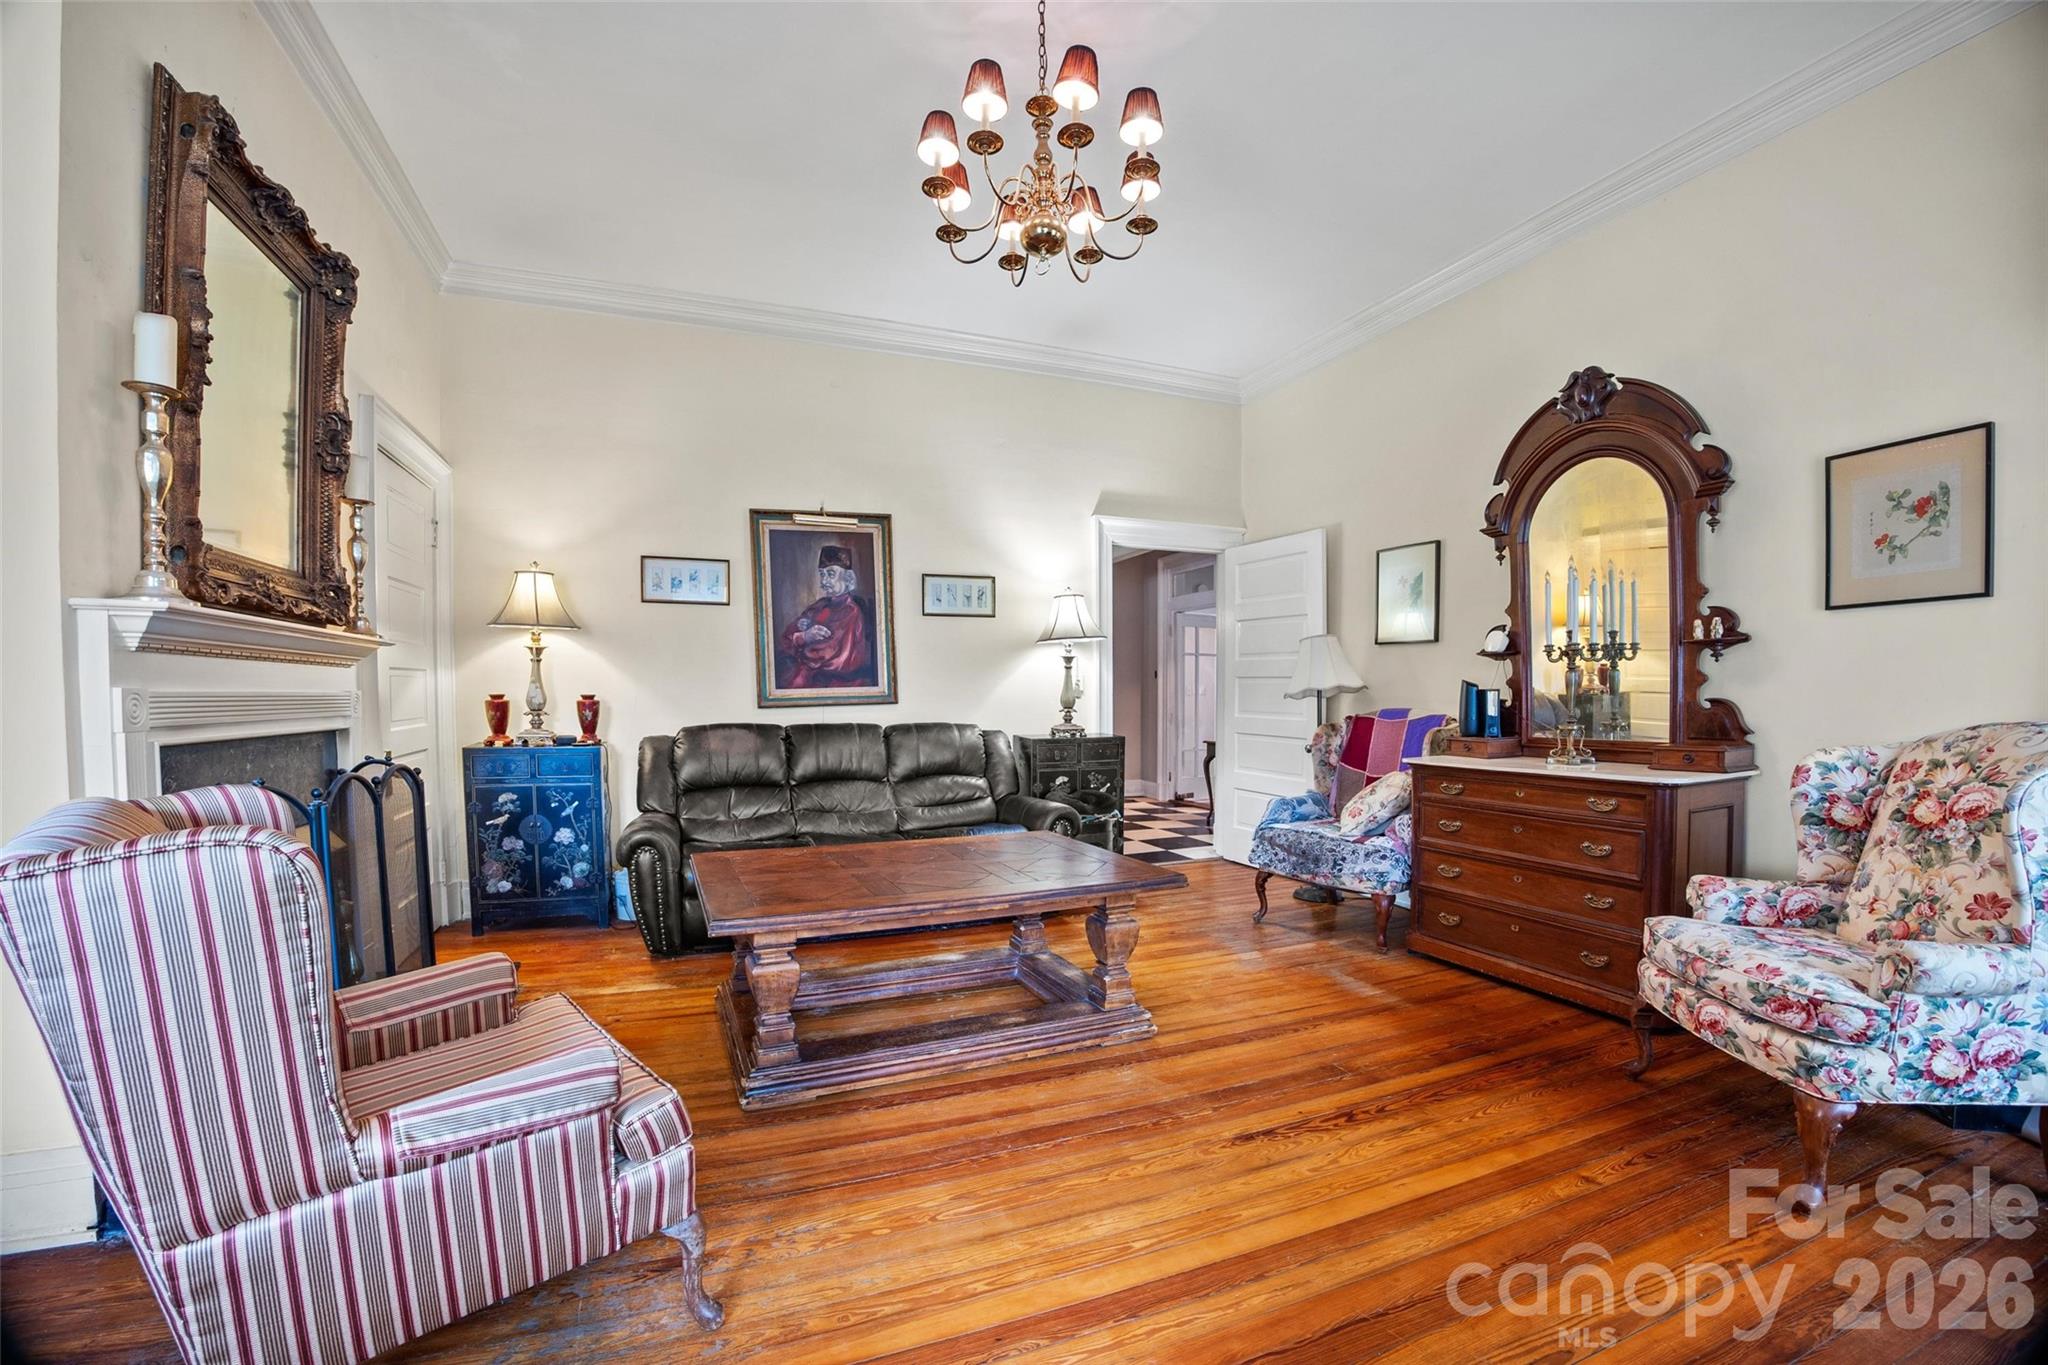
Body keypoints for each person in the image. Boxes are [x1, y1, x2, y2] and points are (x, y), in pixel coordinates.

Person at [777, 544, 876, 688]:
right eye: (822, 575)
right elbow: (785, 639)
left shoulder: (850, 611)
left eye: (830, 574)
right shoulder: (819, 606)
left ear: (847, 578)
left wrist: (801, 639)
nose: (824, 581)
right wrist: (804, 636)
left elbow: (822, 655)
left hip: (833, 684)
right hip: (807, 677)